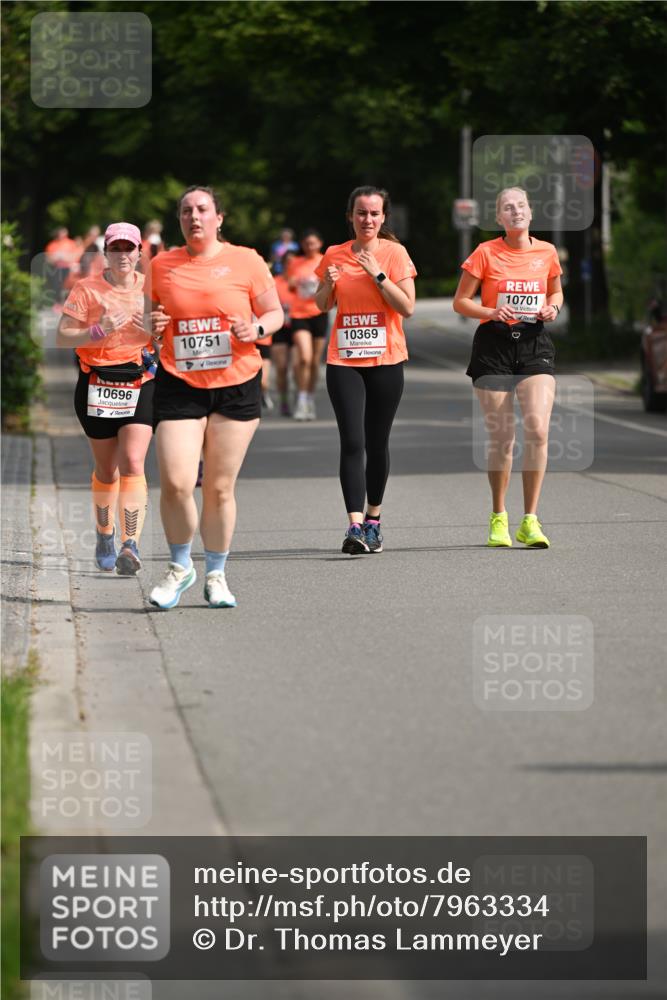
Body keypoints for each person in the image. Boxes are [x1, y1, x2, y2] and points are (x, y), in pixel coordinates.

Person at [148, 185, 283, 609]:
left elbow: (275, 313)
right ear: (179, 220)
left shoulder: (246, 260)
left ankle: (217, 575)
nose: (194, 217)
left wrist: (257, 330)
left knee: (220, 488)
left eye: (202, 209)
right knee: (175, 482)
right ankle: (180, 566)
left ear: (219, 218)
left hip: (236, 383)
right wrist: (150, 324)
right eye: (186, 211)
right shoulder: (161, 265)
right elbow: (147, 319)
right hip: (179, 380)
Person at [452, 186, 564, 548]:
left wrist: (553, 308)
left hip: (534, 345)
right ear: (498, 218)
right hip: (494, 347)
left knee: (538, 430)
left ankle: (530, 520)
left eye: (520, 206)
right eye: (507, 208)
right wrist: (490, 311)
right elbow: (461, 302)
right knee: (503, 439)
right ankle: (499, 516)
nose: (515, 211)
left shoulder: (546, 251)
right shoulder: (485, 253)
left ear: (530, 212)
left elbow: (556, 291)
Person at [56, 222, 166, 574]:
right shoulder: (87, 289)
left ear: (139, 252)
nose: (122, 255)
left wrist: (157, 331)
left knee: (134, 462)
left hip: (140, 380)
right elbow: (62, 338)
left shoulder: (153, 289)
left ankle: (129, 546)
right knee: (107, 469)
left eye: (128, 248)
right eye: (115, 248)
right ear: (106, 252)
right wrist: (99, 328)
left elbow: (167, 342)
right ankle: (105, 533)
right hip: (97, 383)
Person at [314, 186, 416, 554]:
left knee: (377, 441)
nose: (367, 220)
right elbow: (322, 303)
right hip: (344, 360)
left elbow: (407, 308)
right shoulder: (334, 254)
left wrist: (378, 275)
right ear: (350, 216)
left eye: (374, 213)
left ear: (383, 217)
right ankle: (355, 526)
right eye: (361, 213)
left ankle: (374, 520)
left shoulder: (395, 254)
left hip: (386, 360)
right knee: (353, 441)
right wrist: (327, 282)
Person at [288, 229, 328, 420]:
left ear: (319, 243)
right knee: (304, 357)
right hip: (299, 314)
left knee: (313, 362)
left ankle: (309, 397)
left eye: (313, 243)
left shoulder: (325, 260)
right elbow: (289, 285)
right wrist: (294, 281)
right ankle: (302, 400)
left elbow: (331, 285)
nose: (309, 247)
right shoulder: (295, 262)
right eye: (306, 244)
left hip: (319, 314)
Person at [271, 249, 298, 415]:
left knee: (297, 366)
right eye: (287, 261)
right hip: (280, 328)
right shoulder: (274, 281)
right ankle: (284, 399)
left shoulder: (303, 281)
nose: (290, 265)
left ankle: (299, 395)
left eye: (293, 261)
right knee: (281, 368)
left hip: (298, 326)